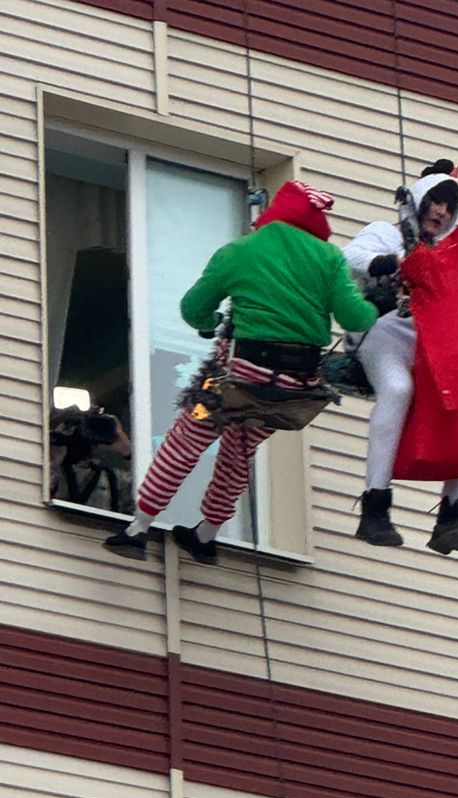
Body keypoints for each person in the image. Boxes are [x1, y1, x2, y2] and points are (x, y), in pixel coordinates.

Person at [104, 182, 378, 565]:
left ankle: (139, 528)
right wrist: (375, 305)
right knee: (240, 449)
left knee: (187, 438)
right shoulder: (330, 258)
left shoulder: (241, 251)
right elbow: (355, 318)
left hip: (236, 376)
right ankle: (206, 535)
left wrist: (211, 321)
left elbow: (193, 308)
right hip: (291, 387)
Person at [344, 159, 458, 552]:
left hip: (435, 341)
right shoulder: (387, 234)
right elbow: (351, 257)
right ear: (417, 200)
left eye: (449, 205)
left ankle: (453, 513)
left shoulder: (452, 252)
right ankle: (375, 505)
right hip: (386, 331)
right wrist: (396, 263)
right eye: (434, 200)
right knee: (397, 389)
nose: (441, 210)